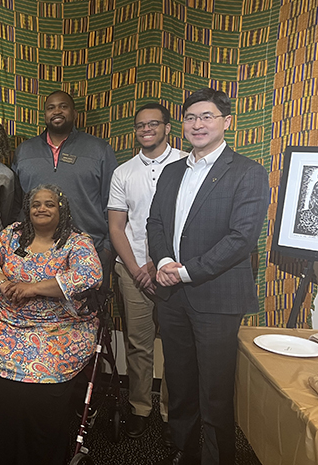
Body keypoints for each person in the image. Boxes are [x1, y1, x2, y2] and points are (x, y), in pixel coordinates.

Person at [147, 88, 269, 465]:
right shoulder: (171, 171)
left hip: (216, 298)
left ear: (226, 122)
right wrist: (165, 261)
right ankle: (184, 450)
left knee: (215, 390)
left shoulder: (248, 172)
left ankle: (217, 458)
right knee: (180, 384)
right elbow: (155, 224)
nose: (197, 124)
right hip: (172, 297)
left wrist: (185, 272)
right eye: (191, 118)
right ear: (182, 125)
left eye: (207, 117)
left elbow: (241, 238)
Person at [0, 184, 103, 465]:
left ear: (62, 209)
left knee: (40, 379)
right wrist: (4, 283)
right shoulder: (13, 234)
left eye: (49, 204)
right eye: (36, 204)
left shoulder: (76, 241)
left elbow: (89, 275)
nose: (41, 209)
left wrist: (34, 289)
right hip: (5, 318)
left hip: (59, 324)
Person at [107, 103, 183, 441]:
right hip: (131, 270)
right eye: (140, 125)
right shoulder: (124, 172)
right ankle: (140, 407)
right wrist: (138, 268)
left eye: (153, 124)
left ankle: (171, 412)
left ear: (168, 128)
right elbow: (116, 227)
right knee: (139, 345)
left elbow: (188, 224)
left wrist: (159, 262)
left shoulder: (187, 164)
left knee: (177, 346)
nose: (146, 130)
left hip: (175, 271)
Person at [11, 90, 117, 278]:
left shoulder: (99, 149)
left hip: (89, 251)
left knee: (86, 307)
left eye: (63, 106)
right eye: (51, 108)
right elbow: (15, 204)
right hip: (34, 254)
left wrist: (107, 248)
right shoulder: (24, 151)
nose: (57, 111)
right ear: (44, 115)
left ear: (75, 113)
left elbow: (113, 202)